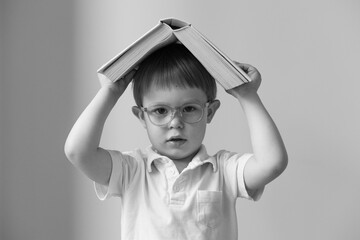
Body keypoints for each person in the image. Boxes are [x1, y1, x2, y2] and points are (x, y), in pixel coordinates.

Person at [64, 43, 288, 240]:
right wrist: (110, 91)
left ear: (210, 112)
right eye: (160, 110)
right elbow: (77, 151)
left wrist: (247, 95)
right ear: (142, 117)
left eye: (189, 109)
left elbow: (272, 163)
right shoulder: (132, 171)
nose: (175, 122)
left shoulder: (224, 171)